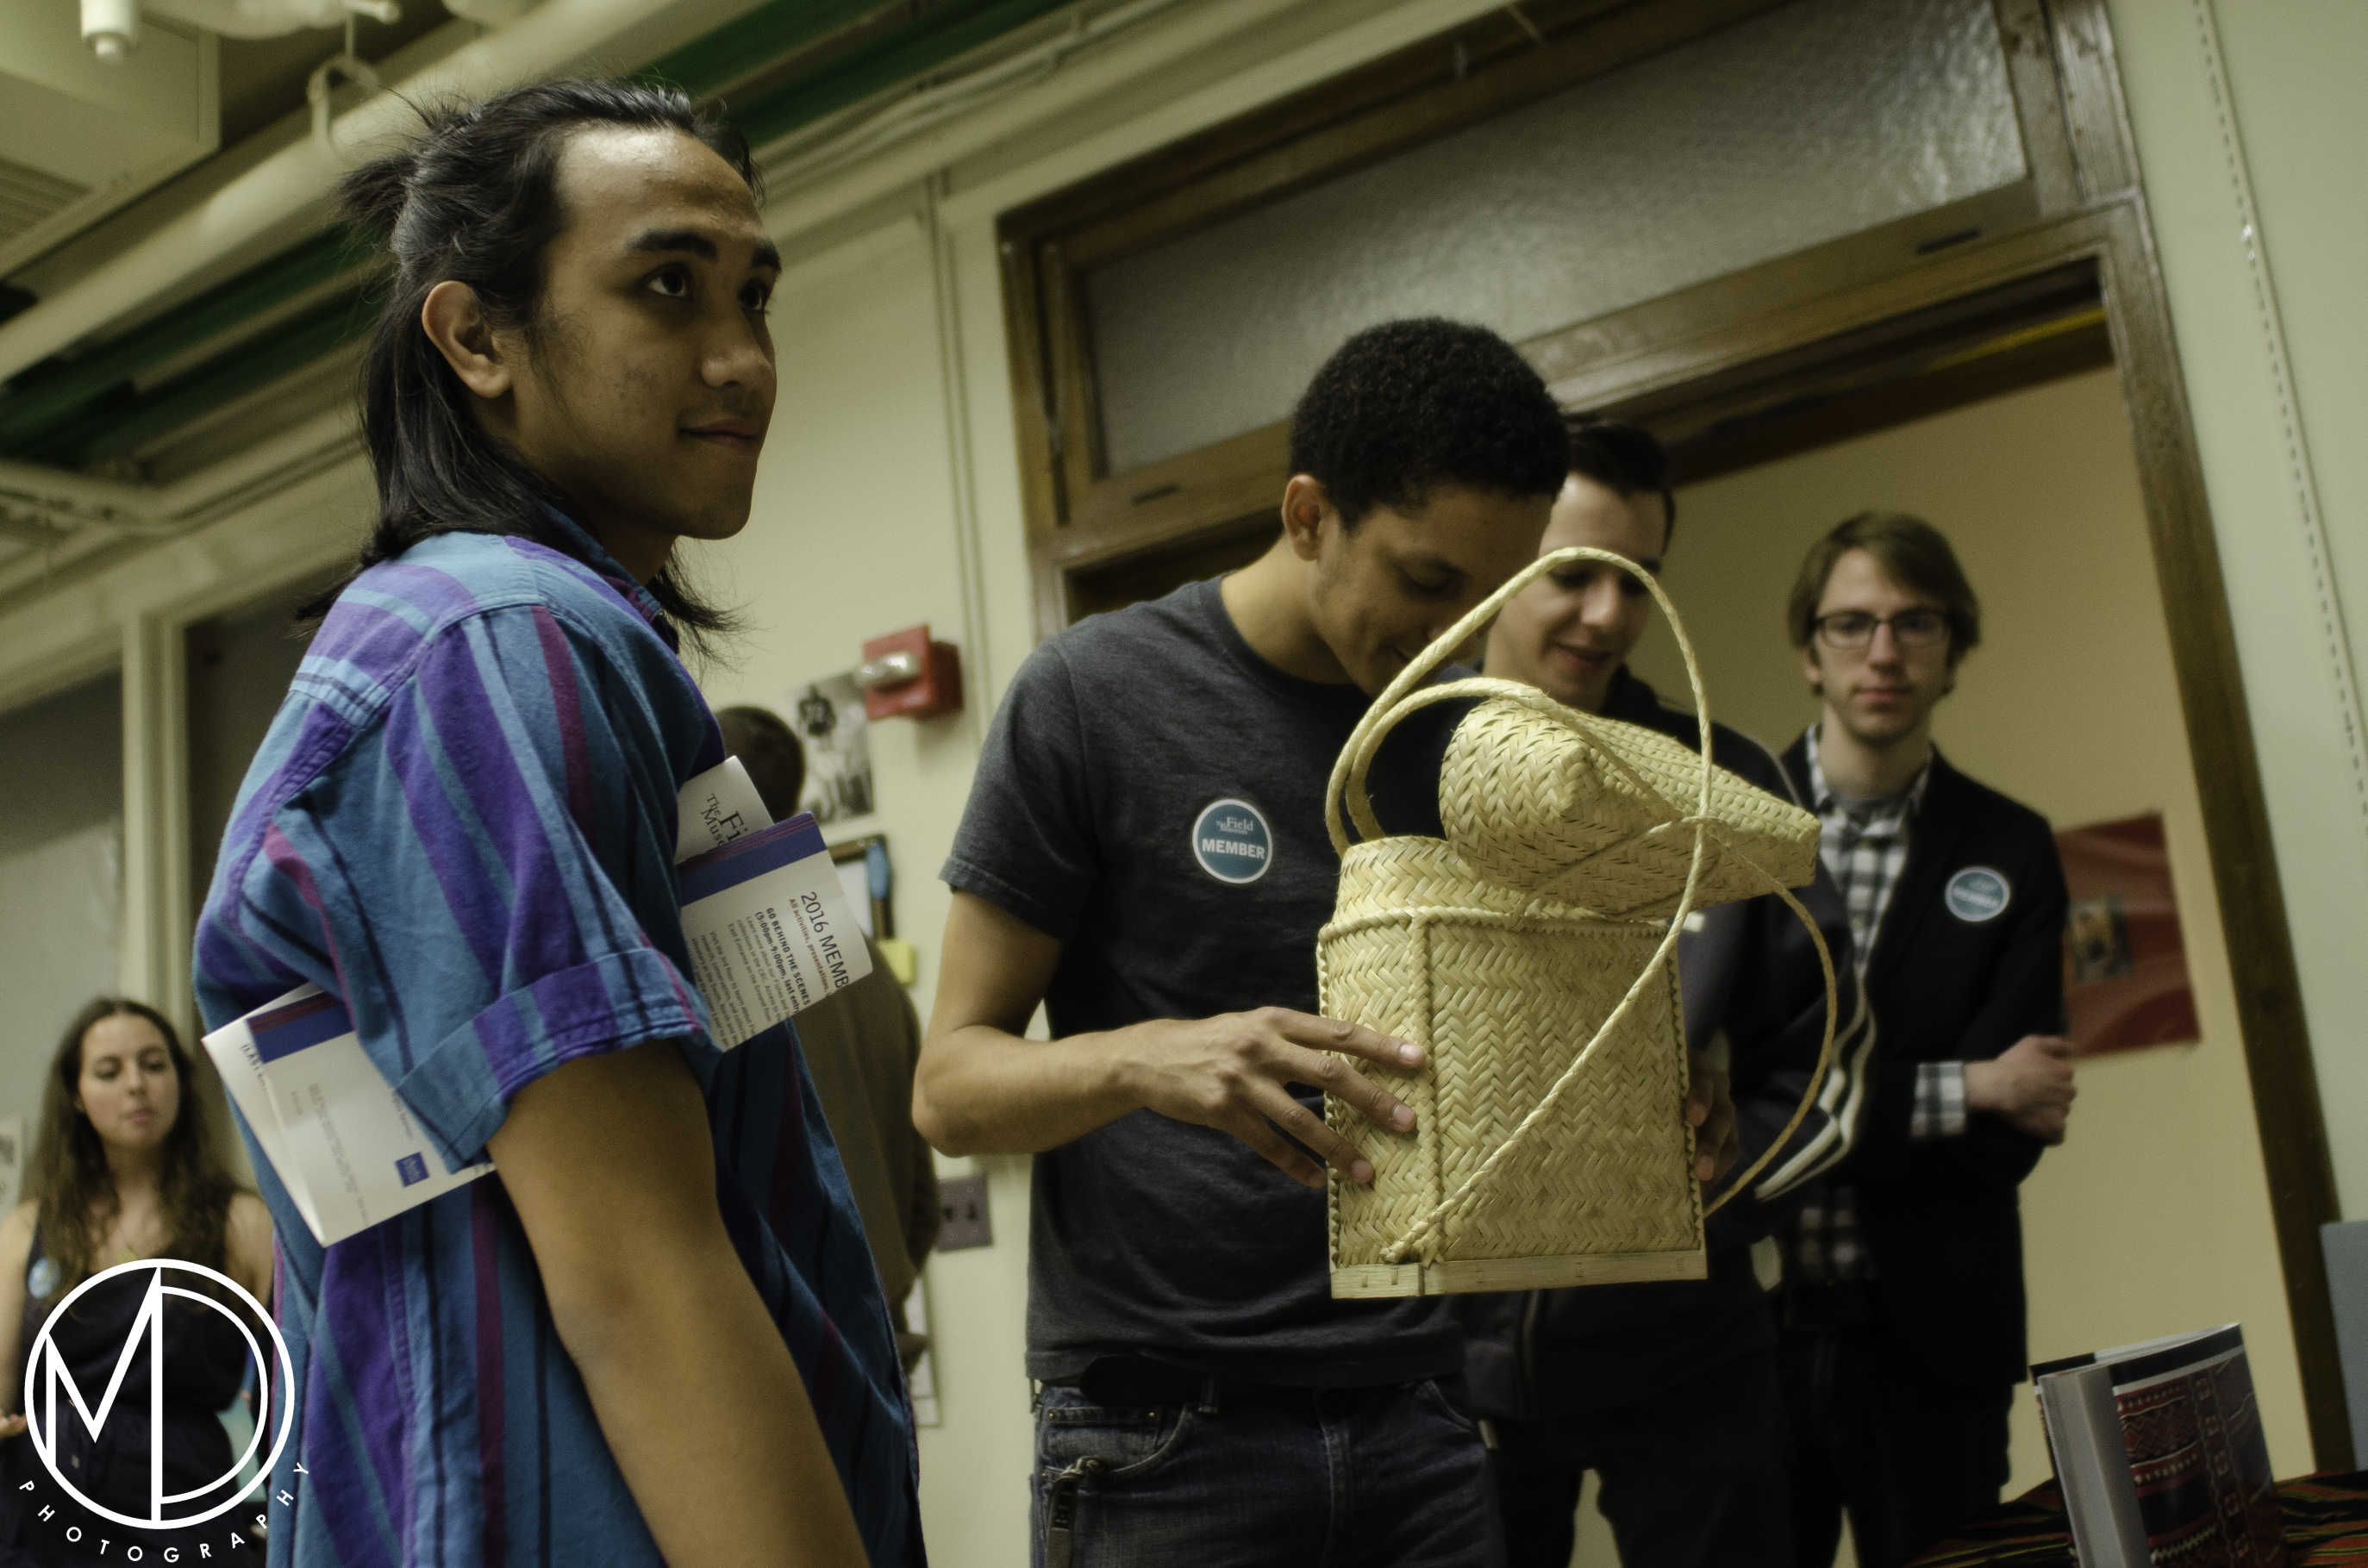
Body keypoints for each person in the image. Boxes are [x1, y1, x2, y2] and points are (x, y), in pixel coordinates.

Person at [191, 82, 920, 1568]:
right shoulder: (487, 642)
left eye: (754, 292)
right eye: (666, 286)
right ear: (474, 338)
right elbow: (637, 1281)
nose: (741, 357)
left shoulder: (558, 637)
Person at [915, 317, 1739, 1567]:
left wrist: (1636, 1107)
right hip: (1162, 1434)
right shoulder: (1091, 695)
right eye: (1423, 580)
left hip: (1424, 1409)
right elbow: (948, 1087)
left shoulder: (1462, 741)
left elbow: (1483, 1074)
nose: (1459, 631)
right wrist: (1148, 1059)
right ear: (1307, 515)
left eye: (1492, 591)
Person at [1468, 416, 1874, 1567]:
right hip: (1441, 1366)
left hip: (1688, 1351)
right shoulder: (1397, 760)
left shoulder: (1725, 775)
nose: (1607, 612)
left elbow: (1828, 1055)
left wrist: (1717, 1180)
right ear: (1504, 555)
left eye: (1636, 579)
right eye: (1574, 572)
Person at [1773, 512, 2074, 1568]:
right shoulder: (1730, 831)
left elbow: (2013, 1129)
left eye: (1915, 622)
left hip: (1937, 1345)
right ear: (1809, 651)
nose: (1884, 652)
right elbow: (1731, 1107)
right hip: (1743, 1342)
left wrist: (1822, 1107)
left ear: (1955, 649)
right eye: (1851, 624)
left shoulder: (2010, 847)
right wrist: (1969, 1085)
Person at [0, 999, 276, 1565]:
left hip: (185, 1511)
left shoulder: (244, 1220)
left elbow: (293, 1383)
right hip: (44, 1515)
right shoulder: (28, 1225)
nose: (136, 1085)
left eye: (154, 1064)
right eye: (109, 1070)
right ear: (76, 1094)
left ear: (180, 1078)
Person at [717, 703, 941, 1365]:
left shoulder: (712, 969)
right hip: (882, 1341)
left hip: (783, 1356)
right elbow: (923, 1208)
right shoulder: (868, 966)